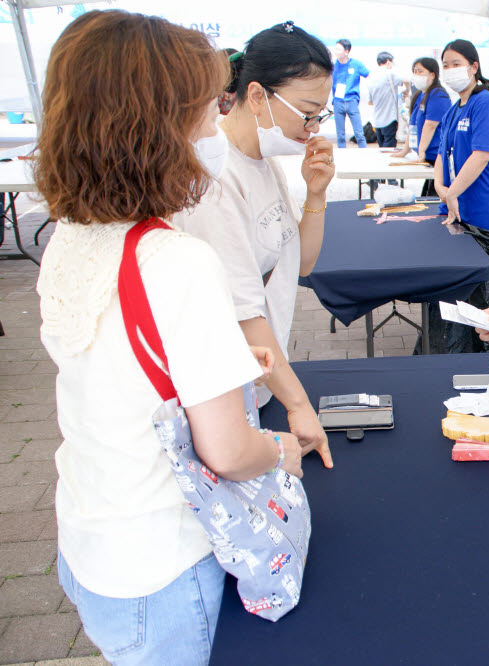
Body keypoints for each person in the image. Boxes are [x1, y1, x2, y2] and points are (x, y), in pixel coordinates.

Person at [34, 10, 303, 663]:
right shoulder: (177, 261)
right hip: (167, 565)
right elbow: (229, 452)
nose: (213, 125)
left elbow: (126, 367)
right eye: (202, 110)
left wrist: (227, 359)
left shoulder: (69, 239)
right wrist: (281, 447)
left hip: (92, 540)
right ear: (155, 126)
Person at [173, 21, 335, 469]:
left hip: (263, 381)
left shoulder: (263, 161)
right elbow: (245, 315)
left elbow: (300, 264)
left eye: (321, 114)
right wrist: (300, 405)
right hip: (230, 396)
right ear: (259, 95)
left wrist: (316, 195)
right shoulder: (218, 180)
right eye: (306, 111)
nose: (312, 127)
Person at [423, 38, 489, 354]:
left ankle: (482, 358)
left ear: (473, 67)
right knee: (459, 299)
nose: (450, 71)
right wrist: (440, 187)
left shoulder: (485, 103)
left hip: (486, 214)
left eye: (455, 64)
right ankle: (455, 353)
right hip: (459, 212)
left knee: (485, 302)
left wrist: (452, 192)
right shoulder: (453, 110)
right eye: (445, 65)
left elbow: (482, 153)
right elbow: (440, 154)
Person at [393, 57, 452, 196]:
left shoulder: (438, 95)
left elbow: (430, 125)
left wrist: (422, 152)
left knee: (434, 195)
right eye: (414, 71)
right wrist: (405, 150)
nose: (416, 75)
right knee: (426, 194)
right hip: (425, 156)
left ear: (432, 74)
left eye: (420, 71)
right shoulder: (420, 95)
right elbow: (412, 125)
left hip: (435, 156)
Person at [331, 38, 370, 148]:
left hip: (351, 100)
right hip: (338, 101)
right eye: (336, 49)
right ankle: (342, 156)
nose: (336, 51)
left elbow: (368, 75)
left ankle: (364, 153)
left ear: (346, 51)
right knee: (340, 135)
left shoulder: (356, 64)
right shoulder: (333, 66)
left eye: (339, 49)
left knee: (359, 134)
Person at [368, 51, 406, 148]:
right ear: (388, 62)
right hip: (389, 117)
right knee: (389, 148)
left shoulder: (372, 76)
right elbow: (405, 80)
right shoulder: (390, 74)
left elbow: (370, 101)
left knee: (381, 147)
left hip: (377, 120)